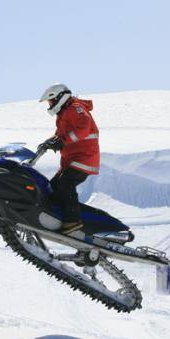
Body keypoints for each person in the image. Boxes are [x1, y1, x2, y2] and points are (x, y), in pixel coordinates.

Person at [37, 84, 100, 235]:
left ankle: (73, 222)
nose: (50, 105)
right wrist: (49, 142)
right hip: (72, 160)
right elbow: (60, 135)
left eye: (51, 101)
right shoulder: (64, 113)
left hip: (83, 158)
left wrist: (62, 141)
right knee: (53, 186)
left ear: (59, 97)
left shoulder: (75, 108)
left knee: (65, 184)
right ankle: (56, 217)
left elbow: (83, 127)